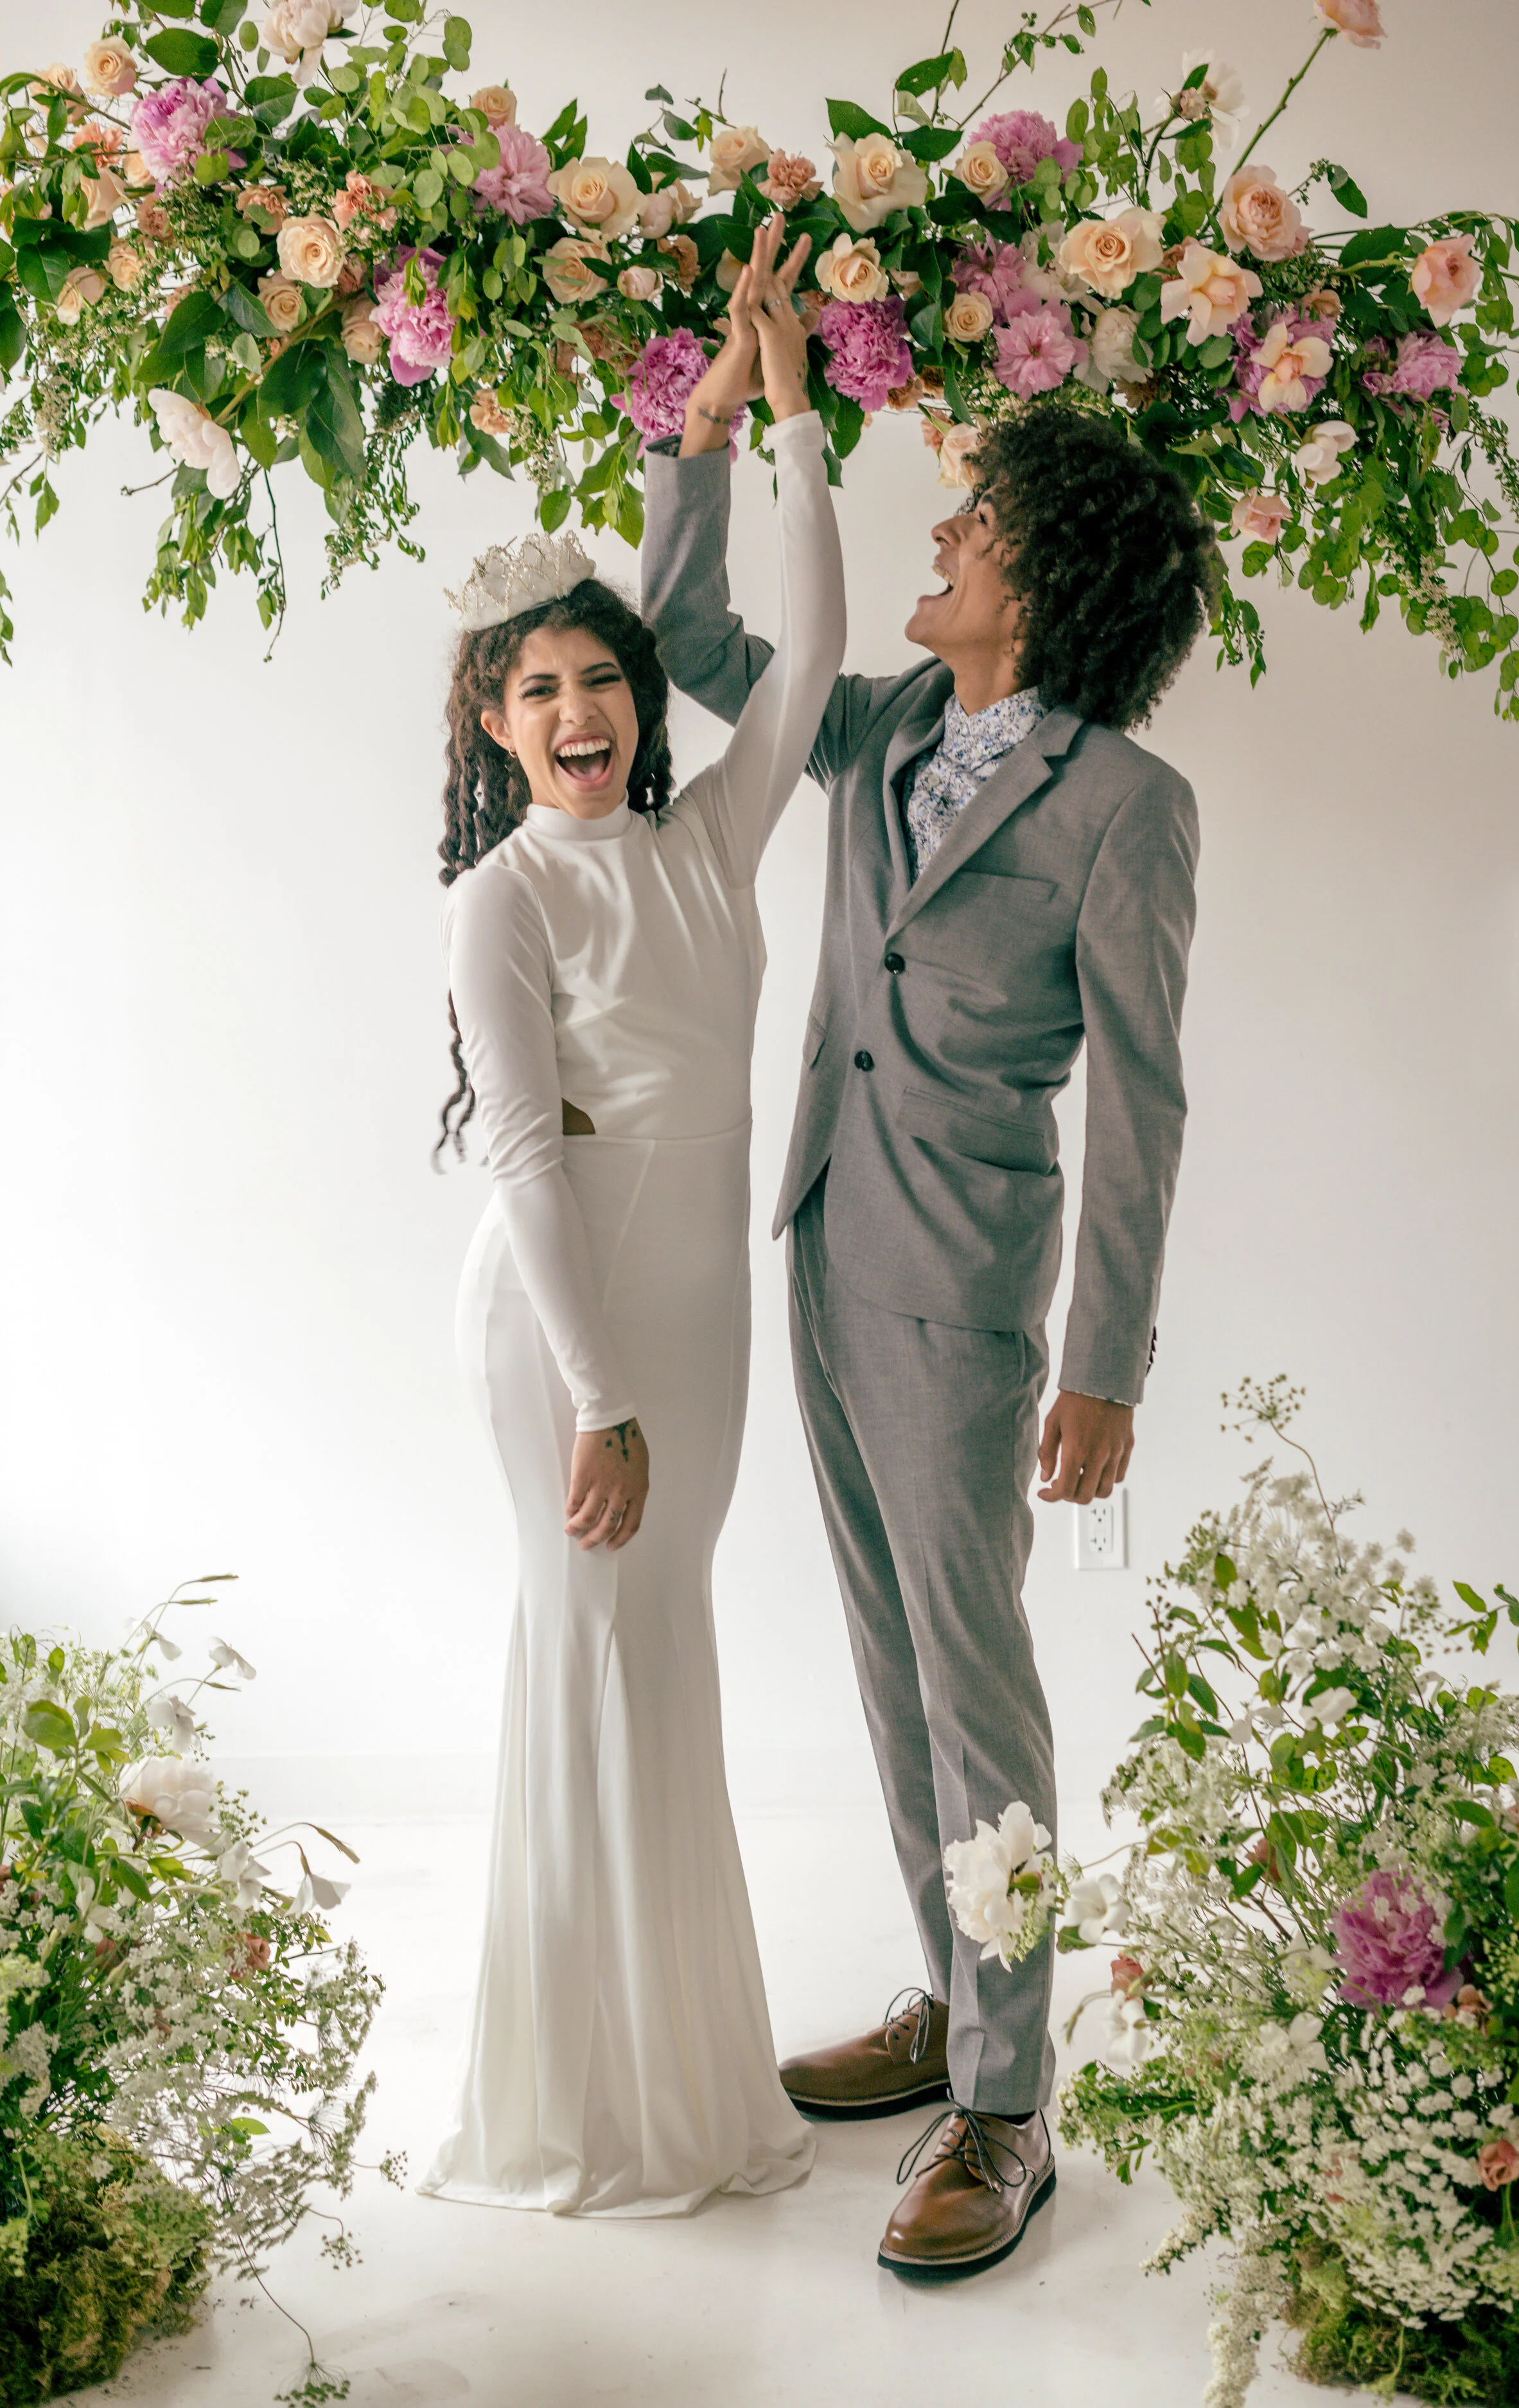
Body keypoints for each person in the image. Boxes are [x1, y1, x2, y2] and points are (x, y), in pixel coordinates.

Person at [640, 385, 1218, 2271]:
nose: (943, 533)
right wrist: (697, 441)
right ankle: (949, 1995)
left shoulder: (1127, 808)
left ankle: (1005, 2101)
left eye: (975, 524)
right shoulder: (881, 722)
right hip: (813, 1234)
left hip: (967, 1289)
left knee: (976, 1689)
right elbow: (696, 645)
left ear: (1041, 581)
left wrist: (1104, 1361)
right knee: (891, 1667)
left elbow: (1143, 1094)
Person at [417, 220, 843, 2217]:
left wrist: (791, 425)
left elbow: (823, 653)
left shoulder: (714, 835)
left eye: (600, 678)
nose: (576, 709)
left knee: (661, 1641)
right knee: (582, 1632)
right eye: (536, 689)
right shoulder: (498, 900)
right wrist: (593, 1397)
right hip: (567, 1323)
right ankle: (577, 2103)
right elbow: (519, 1152)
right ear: (492, 725)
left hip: (704, 1316)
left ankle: (682, 2081)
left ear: (638, 701)